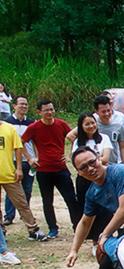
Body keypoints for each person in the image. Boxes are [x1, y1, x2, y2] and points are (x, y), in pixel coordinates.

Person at [21, 99, 81, 239]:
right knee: (47, 201)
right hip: (43, 170)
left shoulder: (61, 124)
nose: (50, 112)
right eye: (46, 110)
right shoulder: (34, 127)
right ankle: (53, 228)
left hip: (61, 168)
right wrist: (30, 159)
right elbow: (21, 142)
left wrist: (70, 155)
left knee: (71, 199)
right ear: (39, 112)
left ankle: (77, 227)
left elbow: (75, 138)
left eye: (52, 109)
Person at [70, 113, 114, 246]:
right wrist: (94, 160)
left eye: (93, 122)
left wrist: (87, 163)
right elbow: (76, 161)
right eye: (87, 124)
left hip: (101, 178)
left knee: (104, 209)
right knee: (87, 208)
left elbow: (105, 158)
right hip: (84, 180)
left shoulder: (104, 138)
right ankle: (92, 239)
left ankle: (102, 238)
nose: (91, 126)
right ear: (81, 126)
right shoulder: (78, 142)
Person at [0, 118, 46, 241]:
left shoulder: (9, 128)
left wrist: (19, 168)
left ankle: (33, 230)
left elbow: (18, 148)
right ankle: (1, 232)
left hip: (9, 173)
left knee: (21, 203)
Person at [3, 96, 37, 226]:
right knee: (11, 190)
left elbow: (34, 142)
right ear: (14, 106)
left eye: (26, 104)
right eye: (21, 104)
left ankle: (25, 215)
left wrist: (35, 157)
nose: (24, 107)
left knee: (27, 189)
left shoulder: (31, 123)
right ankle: (9, 215)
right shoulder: (7, 123)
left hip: (29, 160)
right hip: (12, 160)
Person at [93, 95, 124, 165]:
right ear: (96, 112)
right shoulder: (93, 126)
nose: (107, 114)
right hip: (97, 165)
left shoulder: (118, 126)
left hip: (113, 165)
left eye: (109, 110)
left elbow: (122, 147)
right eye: (103, 111)